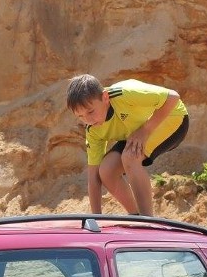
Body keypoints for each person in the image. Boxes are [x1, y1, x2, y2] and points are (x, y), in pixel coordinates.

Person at [66, 74, 189, 216]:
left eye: (91, 111)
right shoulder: (93, 130)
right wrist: (96, 219)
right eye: (80, 116)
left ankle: (147, 221)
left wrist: (145, 131)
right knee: (106, 171)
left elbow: (173, 97)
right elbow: (93, 178)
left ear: (105, 97)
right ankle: (135, 216)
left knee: (130, 157)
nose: (88, 120)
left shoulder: (125, 93)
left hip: (173, 120)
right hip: (136, 132)